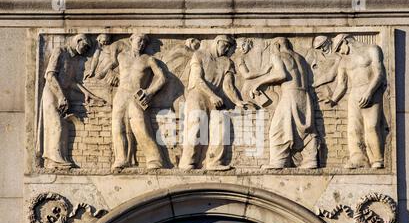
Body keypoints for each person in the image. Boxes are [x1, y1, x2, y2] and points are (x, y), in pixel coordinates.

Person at [179, 35, 248, 171]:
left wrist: (237, 101)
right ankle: (188, 162)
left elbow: (228, 86)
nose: (226, 49)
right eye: (225, 45)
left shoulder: (227, 62)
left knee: (222, 123)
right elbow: (197, 79)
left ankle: (214, 162)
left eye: (229, 47)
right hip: (197, 95)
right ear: (217, 43)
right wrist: (212, 96)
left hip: (216, 98)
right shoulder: (199, 55)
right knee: (196, 126)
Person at [37, 34, 104, 168]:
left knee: (64, 126)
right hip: (52, 92)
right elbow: (50, 75)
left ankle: (57, 159)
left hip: (62, 95)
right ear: (78, 41)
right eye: (84, 47)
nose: (85, 50)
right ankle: (52, 159)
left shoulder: (74, 60)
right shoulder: (60, 51)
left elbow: (71, 82)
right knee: (56, 124)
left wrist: (87, 93)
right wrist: (61, 96)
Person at [251, 37, 319, 169]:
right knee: (306, 127)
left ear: (276, 45)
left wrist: (259, 83)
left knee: (278, 129)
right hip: (304, 95)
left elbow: (281, 74)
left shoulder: (278, 55)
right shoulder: (300, 58)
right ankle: (311, 160)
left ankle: (279, 161)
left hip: (290, 94)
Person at [105, 34, 167, 170]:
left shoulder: (148, 60)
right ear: (131, 40)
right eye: (140, 40)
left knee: (141, 127)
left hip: (136, 96)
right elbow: (107, 72)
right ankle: (121, 159)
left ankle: (155, 160)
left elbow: (162, 78)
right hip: (120, 95)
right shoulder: (121, 57)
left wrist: (150, 92)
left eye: (145, 42)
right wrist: (112, 76)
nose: (142, 44)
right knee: (118, 127)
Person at [324, 34, 386, 169]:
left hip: (371, 90)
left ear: (345, 41)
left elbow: (379, 73)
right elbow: (342, 85)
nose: (339, 52)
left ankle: (377, 159)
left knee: (372, 126)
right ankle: (358, 158)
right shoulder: (343, 62)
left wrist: (369, 92)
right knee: (353, 129)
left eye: (339, 48)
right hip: (354, 94)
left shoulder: (372, 49)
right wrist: (333, 100)